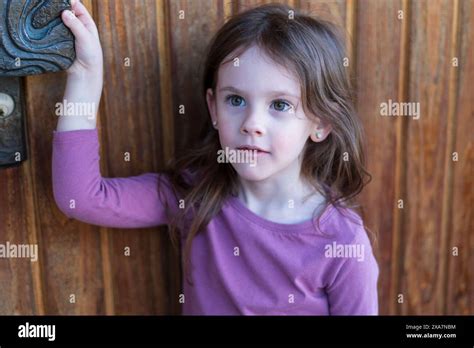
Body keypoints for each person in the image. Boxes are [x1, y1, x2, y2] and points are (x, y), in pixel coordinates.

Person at [53, 0, 379, 315]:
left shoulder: (343, 243)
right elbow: (80, 198)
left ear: (320, 124)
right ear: (213, 108)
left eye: (280, 105)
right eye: (235, 100)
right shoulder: (193, 196)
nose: (252, 124)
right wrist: (85, 75)